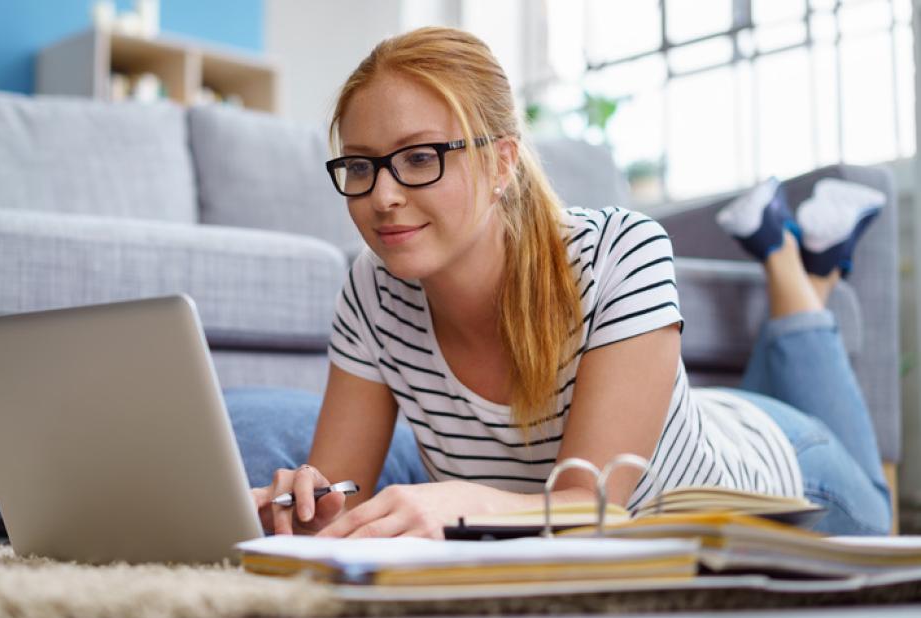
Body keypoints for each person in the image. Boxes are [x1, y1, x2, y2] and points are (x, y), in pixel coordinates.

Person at [245, 25, 893, 539]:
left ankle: (788, 260)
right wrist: (306, 508)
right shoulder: (372, 288)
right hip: (687, 422)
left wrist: (459, 506)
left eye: (419, 158)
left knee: (879, 512)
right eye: (360, 166)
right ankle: (810, 263)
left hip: (786, 477)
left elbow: (594, 509)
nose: (382, 196)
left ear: (501, 162)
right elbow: (339, 494)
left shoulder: (620, 250)